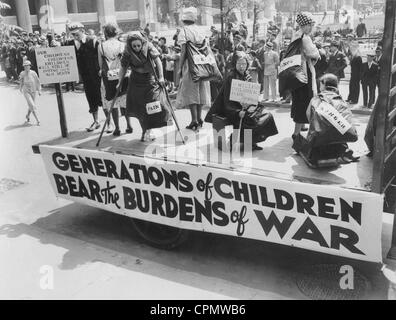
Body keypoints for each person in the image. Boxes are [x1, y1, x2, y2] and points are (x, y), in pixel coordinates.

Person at [205, 51, 277, 151]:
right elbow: (227, 99)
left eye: (244, 64)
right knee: (249, 118)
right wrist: (238, 112)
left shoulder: (246, 74)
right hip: (230, 108)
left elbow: (251, 93)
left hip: (245, 105)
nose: (242, 66)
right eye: (239, 64)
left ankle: (252, 141)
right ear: (235, 64)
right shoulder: (231, 76)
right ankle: (235, 140)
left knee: (266, 115)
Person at [117, 32, 170, 141]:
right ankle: (145, 130)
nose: (136, 48)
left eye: (138, 45)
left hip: (149, 79)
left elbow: (158, 61)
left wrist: (161, 77)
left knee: (152, 105)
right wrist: (119, 82)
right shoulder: (127, 50)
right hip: (135, 81)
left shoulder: (149, 46)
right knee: (140, 108)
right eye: (134, 46)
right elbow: (123, 67)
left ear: (142, 43)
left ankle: (149, 129)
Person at [175, 7, 211, 131]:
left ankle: (194, 119)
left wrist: (179, 68)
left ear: (183, 20)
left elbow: (184, 51)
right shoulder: (201, 30)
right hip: (202, 63)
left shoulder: (183, 31)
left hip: (190, 65)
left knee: (191, 92)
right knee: (201, 91)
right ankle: (200, 118)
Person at [68, 22, 104, 132]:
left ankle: (109, 121)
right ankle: (96, 121)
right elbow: (61, 50)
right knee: (91, 99)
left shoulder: (93, 40)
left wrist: (102, 70)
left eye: (76, 34)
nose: (74, 36)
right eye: (72, 34)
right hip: (86, 77)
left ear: (83, 31)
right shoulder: (71, 43)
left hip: (98, 76)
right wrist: (54, 44)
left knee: (103, 98)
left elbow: (102, 56)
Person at [98, 22, 132, 136]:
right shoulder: (122, 44)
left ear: (105, 33)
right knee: (125, 101)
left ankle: (117, 128)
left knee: (112, 103)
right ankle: (129, 125)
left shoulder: (101, 46)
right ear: (116, 32)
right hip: (123, 76)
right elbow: (127, 61)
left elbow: (100, 64)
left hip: (109, 77)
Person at [290, 13, 320, 139]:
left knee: (298, 100)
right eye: (309, 25)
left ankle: (300, 126)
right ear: (304, 25)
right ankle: (296, 134)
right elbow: (314, 53)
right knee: (305, 101)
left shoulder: (295, 34)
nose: (311, 27)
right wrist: (317, 52)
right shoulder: (305, 37)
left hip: (296, 73)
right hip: (304, 72)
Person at [19, 60, 41, 125]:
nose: (26, 67)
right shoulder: (22, 73)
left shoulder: (33, 73)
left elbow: (38, 82)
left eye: (27, 66)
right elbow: (21, 81)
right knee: (32, 104)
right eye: (25, 66)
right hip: (26, 91)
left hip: (33, 90)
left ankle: (27, 116)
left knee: (30, 105)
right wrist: (20, 87)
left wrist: (39, 90)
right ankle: (38, 120)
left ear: (30, 66)